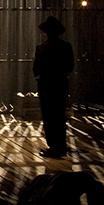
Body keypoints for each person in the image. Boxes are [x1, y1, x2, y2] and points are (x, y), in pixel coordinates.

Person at [33, 16, 74, 158]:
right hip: (60, 85)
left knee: (49, 117)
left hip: (46, 86)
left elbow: (36, 70)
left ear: (47, 33)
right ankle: (61, 145)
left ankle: (53, 147)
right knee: (60, 116)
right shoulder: (66, 46)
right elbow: (70, 66)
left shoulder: (41, 48)